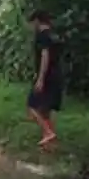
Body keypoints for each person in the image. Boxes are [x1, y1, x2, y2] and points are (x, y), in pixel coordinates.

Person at [27, 10, 62, 148]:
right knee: (45, 109)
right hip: (56, 74)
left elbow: (45, 56)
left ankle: (48, 132)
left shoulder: (42, 36)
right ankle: (49, 139)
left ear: (37, 21)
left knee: (32, 105)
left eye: (32, 23)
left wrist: (40, 78)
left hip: (46, 75)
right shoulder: (53, 35)